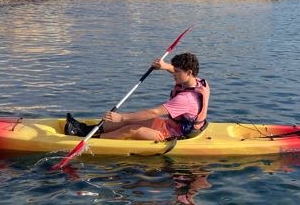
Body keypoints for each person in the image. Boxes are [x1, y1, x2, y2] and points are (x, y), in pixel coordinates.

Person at [66, 52, 209, 141]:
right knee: (131, 119)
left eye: (177, 72)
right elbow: (179, 72)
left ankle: (91, 139)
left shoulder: (186, 99)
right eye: (174, 70)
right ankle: (83, 129)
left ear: (189, 72)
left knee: (132, 128)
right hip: (171, 125)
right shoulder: (198, 82)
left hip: (177, 134)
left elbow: (154, 112)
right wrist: (165, 66)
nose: (174, 74)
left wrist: (121, 117)